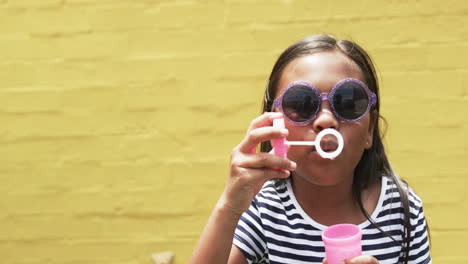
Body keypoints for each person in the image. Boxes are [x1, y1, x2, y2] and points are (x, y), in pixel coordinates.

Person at [189, 35, 431, 264]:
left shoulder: (400, 208)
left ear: (370, 131)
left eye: (348, 102)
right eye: (301, 103)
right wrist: (229, 205)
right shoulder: (266, 207)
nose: (326, 120)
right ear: (274, 126)